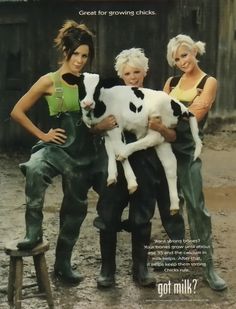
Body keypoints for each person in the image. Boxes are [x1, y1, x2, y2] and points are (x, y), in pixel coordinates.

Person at [10, 20, 114, 285]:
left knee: (75, 209)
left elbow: (98, 119)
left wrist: (100, 126)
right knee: (34, 168)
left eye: (85, 55)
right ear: (65, 51)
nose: (80, 60)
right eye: (75, 53)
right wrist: (43, 135)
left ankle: (63, 264)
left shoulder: (91, 83)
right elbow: (17, 112)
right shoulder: (49, 81)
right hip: (58, 148)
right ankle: (33, 232)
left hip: (86, 153)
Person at [94, 48, 185, 289]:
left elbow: (174, 135)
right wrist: (102, 126)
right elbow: (94, 124)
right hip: (117, 159)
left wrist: (160, 128)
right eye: (128, 73)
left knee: (142, 213)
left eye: (137, 72)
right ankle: (107, 269)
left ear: (145, 72)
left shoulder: (154, 99)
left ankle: (140, 267)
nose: (133, 77)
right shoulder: (110, 97)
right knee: (109, 210)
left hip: (145, 160)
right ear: (121, 75)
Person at [149, 34, 227, 291]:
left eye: (185, 54)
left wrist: (164, 120)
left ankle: (208, 267)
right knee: (172, 204)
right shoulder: (170, 82)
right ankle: (176, 253)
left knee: (196, 208)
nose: (183, 61)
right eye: (177, 57)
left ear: (195, 51)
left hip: (188, 151)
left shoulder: (209, 82)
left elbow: (195, 114)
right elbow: (155, 112)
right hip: (164, 149)